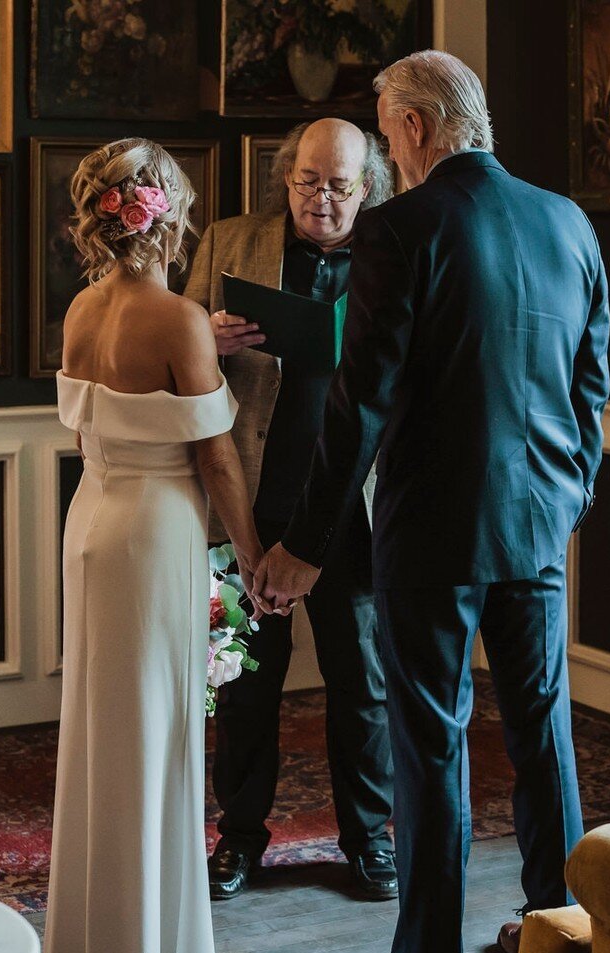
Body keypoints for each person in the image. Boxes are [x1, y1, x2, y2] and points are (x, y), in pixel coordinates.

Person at [255, 51, 610, 953]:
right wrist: (568, 496)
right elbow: (589, 386)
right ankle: (559, 932)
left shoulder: (400, 228)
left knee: (431, 746)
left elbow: (361, 401)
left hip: (432, 537)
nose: (389, 152)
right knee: (543, 736)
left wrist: (305, 542)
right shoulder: (567, 222)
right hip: (535, 527)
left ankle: (427, 948)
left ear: (415, 126)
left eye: (385, 134)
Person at [44, 138, 263, 953]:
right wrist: (247, 554)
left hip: (92, 519)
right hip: (154, 530)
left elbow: (92, 427)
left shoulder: (81, 310)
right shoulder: (176, 321)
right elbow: (215, 454)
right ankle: (149, 935)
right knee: (156, 727)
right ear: (167, 214)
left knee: (102, 724)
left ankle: (94, 926)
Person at [183, 118, 399, 902]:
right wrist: (207, 337)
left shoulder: (392, 249)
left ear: (366, 187)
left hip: (357, 509)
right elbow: (175, 354)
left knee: (362, 685)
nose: (322, 198)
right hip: (247, 500)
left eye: (339, 185)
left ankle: (368, 841)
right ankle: (238, 839)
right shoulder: (229, 241)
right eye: (308, 180)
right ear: (286, 177)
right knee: (243, 686)